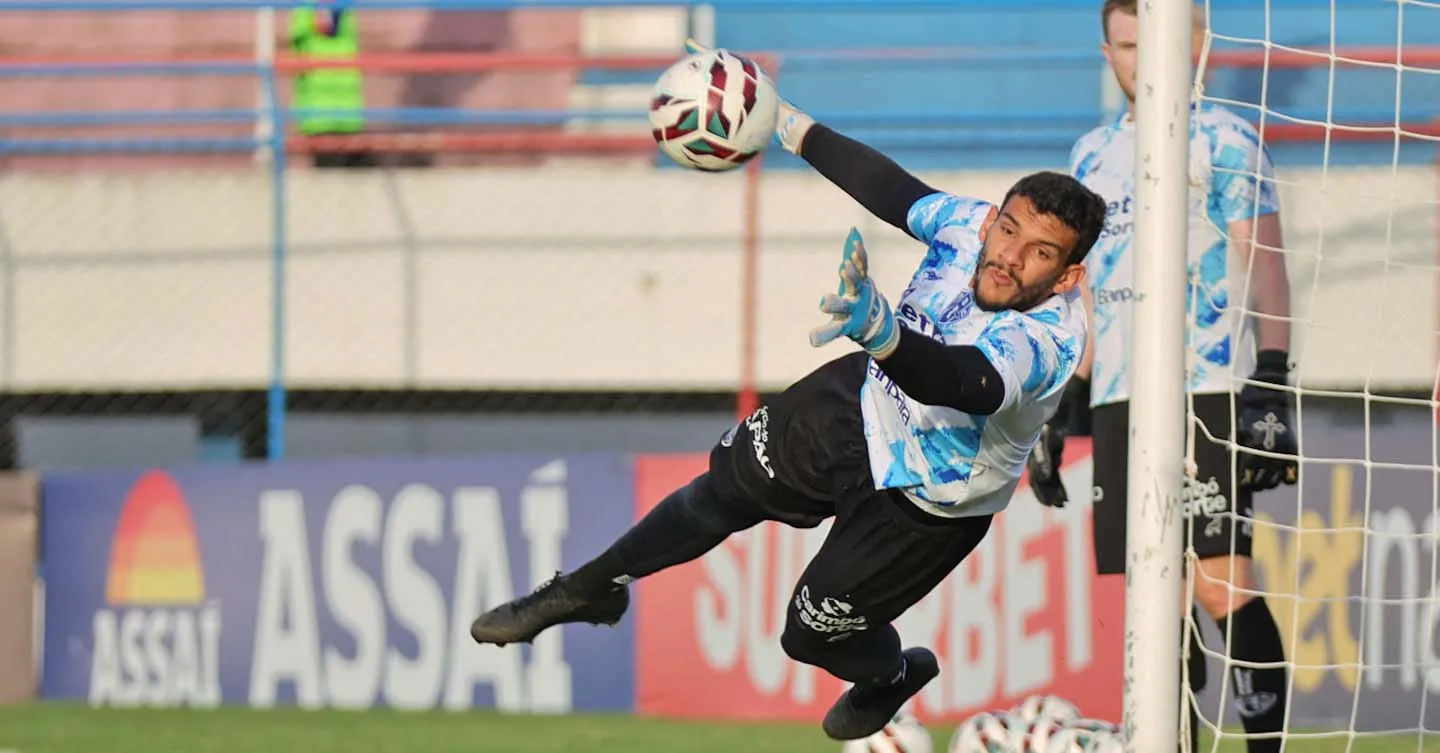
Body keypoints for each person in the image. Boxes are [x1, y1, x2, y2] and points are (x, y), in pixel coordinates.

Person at [469, 83, 1107, 740]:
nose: (1008, 255)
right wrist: (787, 124)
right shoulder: (969, 228)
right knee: (720, 491)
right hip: (857, 407)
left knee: (807, 636)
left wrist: (884, 333)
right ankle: (588, 587)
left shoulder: (1050, 339)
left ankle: (892, 675)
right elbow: (891, 191)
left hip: (924, 504)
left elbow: (961, 382)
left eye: (1040, 251)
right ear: (994, 217)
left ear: (1065, 277)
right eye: (1008, 229)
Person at [1025, 2, 1299, 752]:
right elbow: (1082, 291)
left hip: (1207, 385)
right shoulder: (1090, 157)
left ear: (1194, 46)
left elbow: (1264, 262)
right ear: (1107, 51)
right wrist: (1062, 402)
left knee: (1219, 578)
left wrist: (1272, 375)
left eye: (1157, 43)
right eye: (1127, 45)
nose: (1142, 60)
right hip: (1119, 396)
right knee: (1158, 598)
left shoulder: (1225, 141)